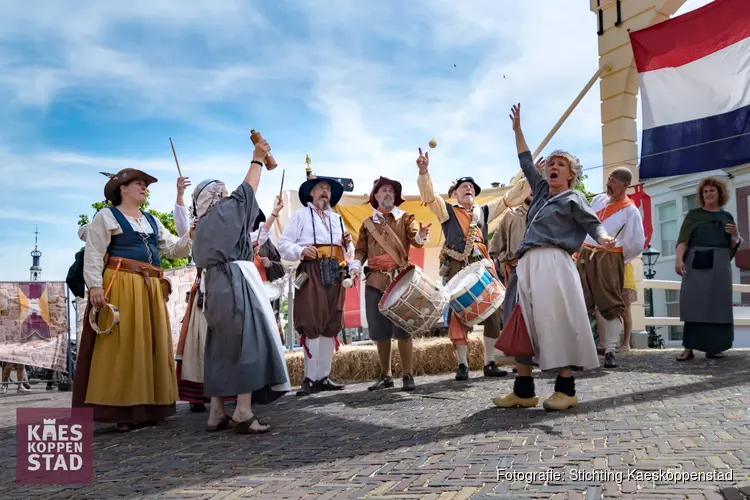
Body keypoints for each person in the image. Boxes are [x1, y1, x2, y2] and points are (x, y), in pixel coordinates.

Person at [492, 103, 615, 411]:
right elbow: (525, 162)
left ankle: (566, 390)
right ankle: (523, 390)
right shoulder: (542, 192)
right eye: (551, 164)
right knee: (521, 321)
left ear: (571, 174)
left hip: (554, 263)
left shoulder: (574, 197)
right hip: (527, 263)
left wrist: (604, 237)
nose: (553, 167)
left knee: (555, 321)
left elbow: (592, 224)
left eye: (561, 164)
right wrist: (518, 130)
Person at [72, 168, 193, 432]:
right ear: (122, 189)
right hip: (122, 284)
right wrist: (94, 286)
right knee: (124, 344)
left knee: (150, 344)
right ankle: (123, 410)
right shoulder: (107, 216)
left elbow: (173, 249)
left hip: (150, 287)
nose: (144, 187)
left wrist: (191, 234)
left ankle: (150, 406)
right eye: (138, 184)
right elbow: (94, 253)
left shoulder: (151, 220)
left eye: (146, 185)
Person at [191, 139, 291, 434]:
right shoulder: (223, 213)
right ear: (217, 196)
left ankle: (217, 412)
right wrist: (258, 158)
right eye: (222, 192)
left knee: (220, 347)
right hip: (236, 282)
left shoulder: (201, 227)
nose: (226, 195)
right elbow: (246, 192)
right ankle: (244, 411)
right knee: (249, 343)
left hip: (214, 287)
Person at [417, 148, 530, 381]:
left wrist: (530, 178)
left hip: (483, 266)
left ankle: (490, 362)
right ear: (455, 193)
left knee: (493, 313)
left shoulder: (484, 211)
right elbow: (429, 197)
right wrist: (424, 172)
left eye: (471, 187)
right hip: (458, 267)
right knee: (458, 315)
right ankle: (462, 365)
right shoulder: (446, 211)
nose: (468, 189)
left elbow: (510, 199)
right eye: (463, 187)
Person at [175, 197, 282, 414]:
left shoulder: (224, 230)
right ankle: (220, 403)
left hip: (221, 291)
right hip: (219, 292)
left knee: (218, 347)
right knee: (218, 345)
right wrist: (180, 196)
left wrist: (273, 213)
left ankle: (219, 408)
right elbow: (182, 231)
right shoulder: (213, 229)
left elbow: (260, 234)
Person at [350, 177, 431, 392]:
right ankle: (386, 376)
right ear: (375, 196)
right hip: (375, 281)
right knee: (379, 331)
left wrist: (421, 236)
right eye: (384, 190)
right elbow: (360, 250)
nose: (388, 194)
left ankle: (407, 375)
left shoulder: (406, 218)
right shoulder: (367, 224)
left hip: (400, 281)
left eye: (391, 191)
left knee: (403, 330)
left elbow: (416, 239)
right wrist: (356, 264)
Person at [277, 175, 354, 396]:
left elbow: (349, 253)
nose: (325, 192)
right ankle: (310, 378)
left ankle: (324, 376)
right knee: (312, 320)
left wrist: (347, 244)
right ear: (311, 192)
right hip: (311, 271)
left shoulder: (338, 219)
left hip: (336, 272)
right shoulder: (300, 216)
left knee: (331, 321)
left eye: (328, 189)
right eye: (321, 188)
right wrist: (301, 251)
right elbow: (283, 244)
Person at [576, 167, 644, 369]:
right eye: (609, 179)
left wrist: (618, 259)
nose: (609, 184)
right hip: (586, 253)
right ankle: (579, 350)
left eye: (614, 181)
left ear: (625, 185)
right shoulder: (597, 200)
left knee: (610, 303)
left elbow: (635, 242)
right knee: (581, 300)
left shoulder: (630, 210)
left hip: (610, 257)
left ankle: (611, 350)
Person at [676, 177, 742, 361]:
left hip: (720, 264)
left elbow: (732, 245)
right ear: (701, 195)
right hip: (696, 262)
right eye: (705, 191)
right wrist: (678, 260)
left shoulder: (726, 217)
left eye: (712, 190)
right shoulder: (693, 215)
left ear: (720, 193)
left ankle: (714, 347)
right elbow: (683, 240)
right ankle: (689, 348)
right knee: (693, 303)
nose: (709, 194)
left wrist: (735, 235)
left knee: (718, 303)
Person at [490, 194, 532, 285]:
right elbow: (495, 248)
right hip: (515, 274)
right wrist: (507, 262)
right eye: (529, 185)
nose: (533, 190)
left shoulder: (548, 215)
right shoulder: (511, 216)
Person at [621, 262, 637, 350]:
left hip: (625, 282)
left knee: (626, 313)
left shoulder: (627, 250)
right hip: (621, 282)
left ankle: (626, 343)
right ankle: (624, 343)